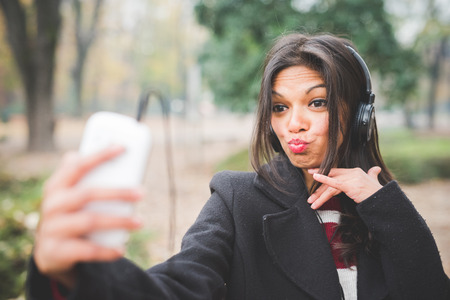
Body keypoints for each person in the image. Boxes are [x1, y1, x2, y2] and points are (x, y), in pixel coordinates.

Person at [26, 33, 449, 300]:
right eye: (280, 107)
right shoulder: (237, 199)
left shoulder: (382, 209)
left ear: (359, 115)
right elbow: (179, 286)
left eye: (315, 102)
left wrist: (383, 205)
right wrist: (73, 274)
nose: (293, 124)